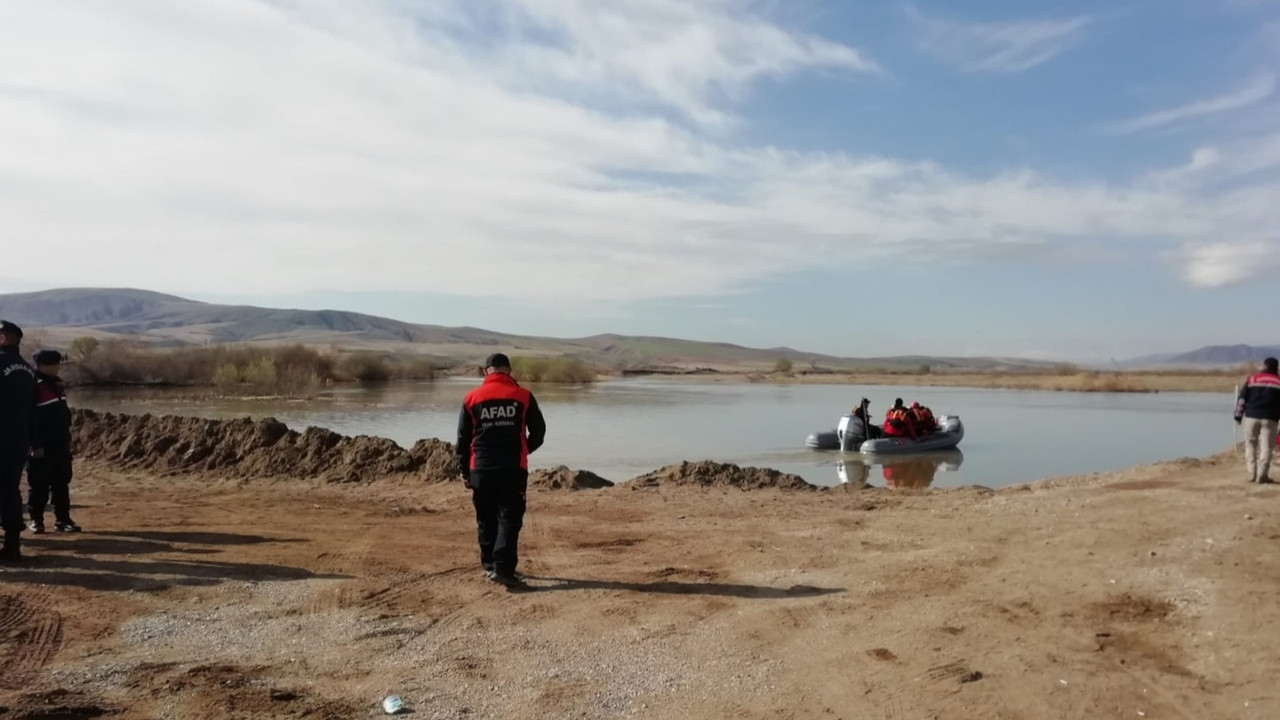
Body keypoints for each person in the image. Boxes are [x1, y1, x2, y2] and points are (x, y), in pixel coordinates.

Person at [457, 353, 546, 588]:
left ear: (487, 371)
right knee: (509, 519)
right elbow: (539, 432)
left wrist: (464, 472)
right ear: (509, 370)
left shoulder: (471, 398)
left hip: (480, 469)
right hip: (512, 468)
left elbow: (463, 439)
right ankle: (502, 569)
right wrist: (524, 451)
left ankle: (489, 565)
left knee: (486, 519)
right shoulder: (523, 396)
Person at [27, 350, 79, 533]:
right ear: (42, 366)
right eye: (53, 365)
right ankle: (36, 520)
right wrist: (35, 445)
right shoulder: (33, 385)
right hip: (42, 444)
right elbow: (29, 418)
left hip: (60, 442)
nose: (57, 368)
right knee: (39, 484)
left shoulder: (57, 385)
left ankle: (63, 520)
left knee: (61, 482)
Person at [0, 320, 37, 562]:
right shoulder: (28, 369)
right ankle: (13, 544)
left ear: (3, 339)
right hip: (19, 439)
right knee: (9, 490)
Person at [1235, 357, 1280, 484]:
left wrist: (1238, 415)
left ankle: (1251, 473)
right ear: (1276, 367)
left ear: (1264, 366)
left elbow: (1242, 398)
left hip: (1251, 417)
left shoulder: (1252, 379)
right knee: (1266, 447)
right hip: (1270, 419)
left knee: (1250, 444)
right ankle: (1262, 474)